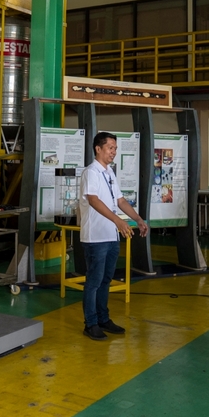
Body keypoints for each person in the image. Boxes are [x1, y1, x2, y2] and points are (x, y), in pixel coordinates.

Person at [78, 132, 149, 341]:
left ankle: (103, 319)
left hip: (111, 237)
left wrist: (138, 219)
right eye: (110, 147)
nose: (114, 152)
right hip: (95, 237)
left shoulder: (109, 173)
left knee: (106, 279)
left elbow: (120, 201)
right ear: (98, 149)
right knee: (94, 280)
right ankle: (90, 324)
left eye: (115, 148)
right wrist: (117, 221)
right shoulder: (91, 172)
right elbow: (93, 199)